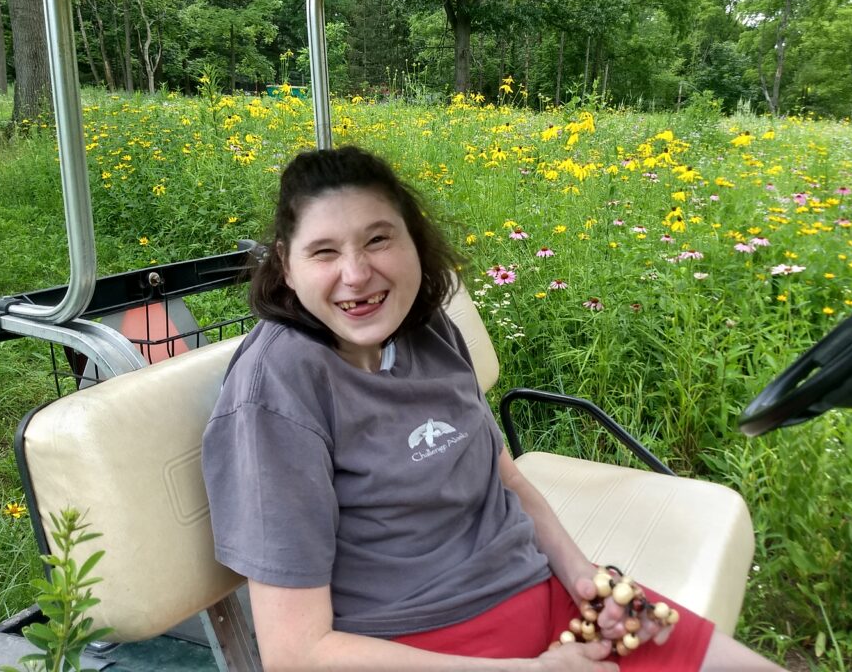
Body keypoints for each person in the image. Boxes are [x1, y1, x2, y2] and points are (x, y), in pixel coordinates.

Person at [202, 146, 784, 672]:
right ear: (285, 262)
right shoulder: (277, 391)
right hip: (415, 645)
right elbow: (297, 653)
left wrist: (582, 576)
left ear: (413, 238)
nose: (357, 274)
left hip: (541, 594)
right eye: (324, 251)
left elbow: (502, 473)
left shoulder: (428, 330)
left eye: (379, 239)